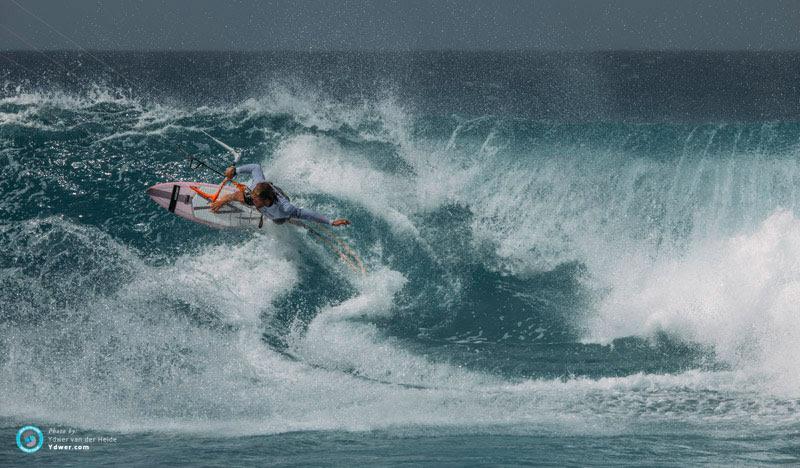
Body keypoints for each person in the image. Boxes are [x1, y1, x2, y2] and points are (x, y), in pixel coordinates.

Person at [209, 164, 350, 227]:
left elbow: (307, 213)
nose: (253, 199)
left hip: (280, 214)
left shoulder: (285, 208)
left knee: (280, 221)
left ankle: (293, 222)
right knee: (241, 195)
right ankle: (228, 200)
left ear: (267, 200)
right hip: (264, 193)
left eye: (257, 200)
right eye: (254, 198)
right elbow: (255, 167)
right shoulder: (257, 186)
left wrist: (331, 222)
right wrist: (235, 170)